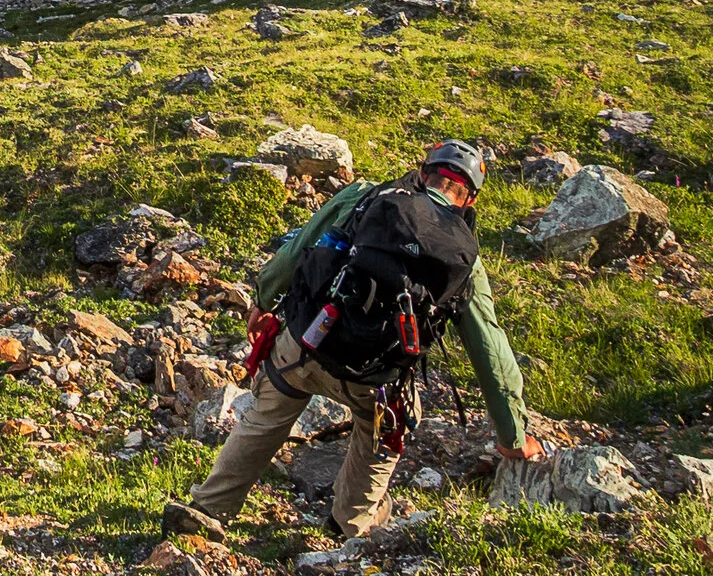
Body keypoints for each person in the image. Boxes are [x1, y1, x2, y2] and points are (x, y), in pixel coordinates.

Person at [163, 138, 543, 544]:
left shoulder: (365, 197)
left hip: (309, 345)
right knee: (386, 426)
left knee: (268, 414)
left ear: (422, 172)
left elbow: (299, 250)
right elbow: (490, 352)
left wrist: (262, 299)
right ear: (470, 201)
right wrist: (512, 437)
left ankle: (208, 508)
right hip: (376, 379)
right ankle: (351, 524)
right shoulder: (465, 260)